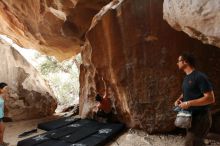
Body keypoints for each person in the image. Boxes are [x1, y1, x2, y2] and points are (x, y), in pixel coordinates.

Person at [175, 52, 215, 146]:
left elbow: (210, 98)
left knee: (191, 143)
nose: (177, 63)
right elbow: (188, 92)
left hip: (201, 118)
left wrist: (188, 103)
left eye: (178, 61)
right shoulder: (187, 78)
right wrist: (179, 99)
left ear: (185, 62)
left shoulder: (200, 77)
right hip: (190, 118)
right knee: (196, 143)